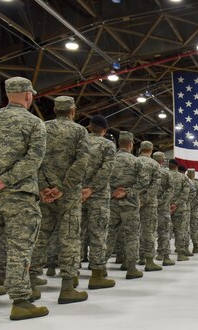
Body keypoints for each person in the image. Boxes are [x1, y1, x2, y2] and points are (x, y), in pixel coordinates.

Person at [0, 77, 49, 320]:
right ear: (28, 95)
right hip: (20, 196)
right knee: (19, 249)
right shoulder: (34, 123)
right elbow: (33, 160)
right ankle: (20, 302)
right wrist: (7, 179)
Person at [30, 96, 90, 304]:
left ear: (55, 110)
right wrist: (63, 188)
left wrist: (43, 187)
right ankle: (67, 288)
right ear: (73, 111)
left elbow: (35, 159)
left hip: (45, 194)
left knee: (40, 236)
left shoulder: (42, 128)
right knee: (70, 237)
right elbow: (82, 161)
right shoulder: (79, 131)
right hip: (69, 194)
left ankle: (31, 284)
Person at [105, 131, 147, 279]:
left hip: (112, 202)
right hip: (130, 203)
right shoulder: (136, 161)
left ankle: (100, 266)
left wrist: (112, 192)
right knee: (131, 235)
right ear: (131, 144)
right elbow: (144, 182)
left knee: (108, 234)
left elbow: (101, 178)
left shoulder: (110, 159)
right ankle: (131, 268)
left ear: (119, 144)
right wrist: (128, 192)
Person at [80, 114, 116, 289]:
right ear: (105, 130)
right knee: (98, 234)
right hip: (98, 196)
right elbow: (106, 170)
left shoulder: (80, 142)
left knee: (74, 234)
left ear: (89, 126)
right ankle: (97, 275)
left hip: (77, 194)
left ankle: (71, 274)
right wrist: (92, 188)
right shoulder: (107, 145)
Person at [137, 141, 163, 271]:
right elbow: (155, 186)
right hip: (149, 204)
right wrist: (145, 200)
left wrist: (136, 199)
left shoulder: (134, 161)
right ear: (151, 150)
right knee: (149, 231)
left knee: (133, 231)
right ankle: (149, 261)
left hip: (132, 201)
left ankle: (138, 257)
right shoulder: (155, 165)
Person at [153, 151, 175, 266]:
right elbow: (170, 190)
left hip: (146, 206)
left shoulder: (146, 170)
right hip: (162, 207)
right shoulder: (166, 174)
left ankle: (144, 257)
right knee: (164, 231)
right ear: (162, 160)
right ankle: (165, 256)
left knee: (146, 231)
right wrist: (160, 202)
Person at [168, 162, 191, 261]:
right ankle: (180, 254)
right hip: (180, 208)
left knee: (164, 231)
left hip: (165, 208)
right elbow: (186, 193)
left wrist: (167, 204)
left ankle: (162, 253)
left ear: (168, 165)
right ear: (177, 166)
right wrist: (176, 204)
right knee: (180, 231)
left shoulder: (164, 175)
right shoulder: (184, 178)